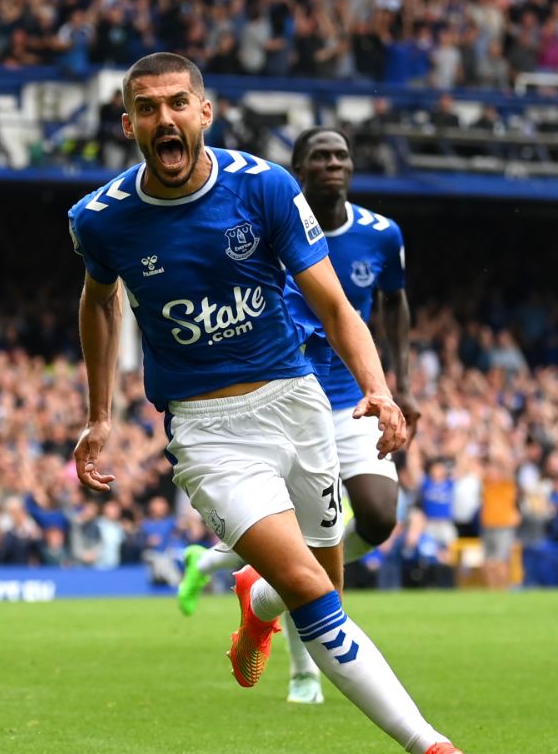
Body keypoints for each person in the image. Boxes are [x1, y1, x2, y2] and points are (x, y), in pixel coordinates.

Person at [68, 52, 485, 754]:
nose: (165, 119)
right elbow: (99, 302)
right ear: (128, 124)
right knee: (309, 585)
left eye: (177, 103)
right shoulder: (101, 219)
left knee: (321, 583)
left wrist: (381, 391)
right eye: (147, 107)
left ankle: (254, 606)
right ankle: (433, 748)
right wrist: (99, 413)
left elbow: (334, 305)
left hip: (298, 406)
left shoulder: (262, 187)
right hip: (207, 428)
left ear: (204, 113)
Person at [175, 127, 417, 708]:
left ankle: (238, 575)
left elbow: (394, 304)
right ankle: (303, 675)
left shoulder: (381, 234)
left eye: (342, 156)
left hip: (352, 397)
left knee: (380, 518)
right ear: (299, 170)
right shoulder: (269, 225)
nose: (333, 164)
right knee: (312, 543)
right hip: (286, 400)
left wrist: (395, 386)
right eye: (320, 157)